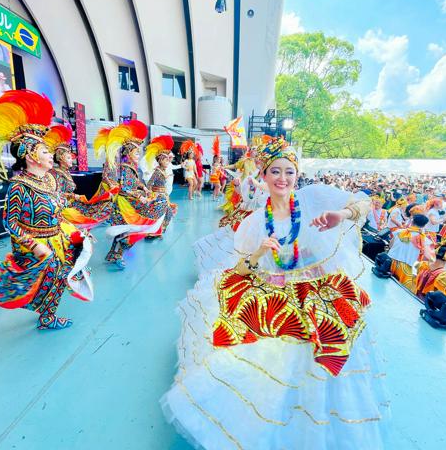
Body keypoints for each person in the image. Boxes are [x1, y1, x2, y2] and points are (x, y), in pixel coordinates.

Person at [162, 137, 388, 449]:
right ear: (264, 176)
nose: (283, 178)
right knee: (280, 367)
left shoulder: (314, 198)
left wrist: (342, 215)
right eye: (275, 172)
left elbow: (363, 201)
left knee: (327, 361)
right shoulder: (254, 222)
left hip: (322, 297)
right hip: (278, 302)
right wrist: (256, 255)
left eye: (289, 172)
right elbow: (238, 270)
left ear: (297, 175)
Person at [0, 90, 94, 330]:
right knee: (52, 275)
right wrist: (35, 245)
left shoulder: (49, 180)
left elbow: (58, 207)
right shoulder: (19, 186)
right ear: (30, 156)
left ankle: (47, 313)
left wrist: (77, 229)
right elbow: (10, 222)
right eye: (46, 151)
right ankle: (46, 317)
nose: (50, 155)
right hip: (33, 244)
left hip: (57, 237)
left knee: (64, 274)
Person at [99, 122, 169, 268]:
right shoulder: (126, 168)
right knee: (131, 231)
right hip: (125, 205)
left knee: (125, 231)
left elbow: (135, 182)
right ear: (129, 153)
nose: (139, 155)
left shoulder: (131, 168)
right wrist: (140, 196)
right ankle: (117, 256)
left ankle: (113, 255)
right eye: (137, 152)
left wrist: (143, 187)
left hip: (127, 203)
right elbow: (125, 188)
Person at [388, 214, 434, 291]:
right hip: (405, 268)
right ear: (424, 225)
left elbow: (390, 245)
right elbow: (428, 257)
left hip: (389, 261)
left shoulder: (399, 232)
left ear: (412, 221)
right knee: (399, 292)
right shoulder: (423, 239)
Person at [145, 135, 177, 236]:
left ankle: (159, 230)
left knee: (168, 213)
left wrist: (167, 176)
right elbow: (150, 183)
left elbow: (160, 180)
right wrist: (150, 194)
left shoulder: (162, 171)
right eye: (166, 160)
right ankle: (155, 231)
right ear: (160, 161)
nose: (168, 161)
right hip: (158, 196)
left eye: (168, 159)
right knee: (161, 214)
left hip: (163, 195)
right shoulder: (158, 171)